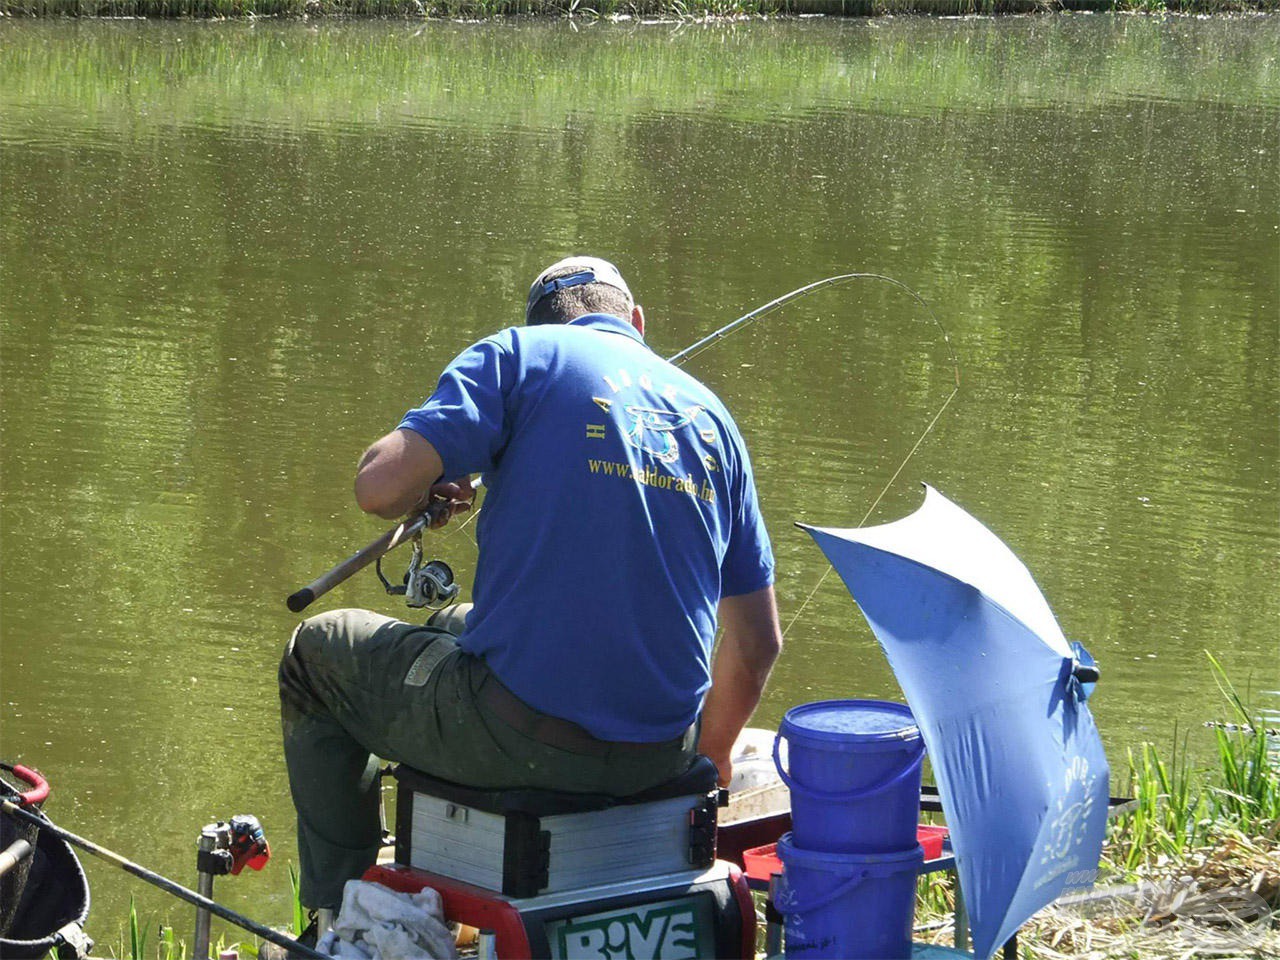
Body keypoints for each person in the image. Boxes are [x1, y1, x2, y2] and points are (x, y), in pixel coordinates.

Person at [279, 256, 782, 918]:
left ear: (542, 322)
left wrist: (435, 473)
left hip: (520, 739)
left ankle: (340, 918)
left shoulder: (516, 357)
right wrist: (699, 772)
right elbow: (757, 647)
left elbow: (378, 489)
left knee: (316, 651)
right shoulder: (715, 421)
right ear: (635, 321)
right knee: (454, 621)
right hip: (661, 758)